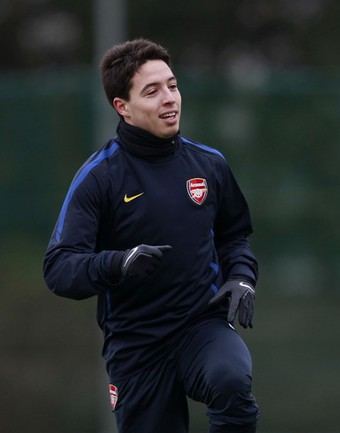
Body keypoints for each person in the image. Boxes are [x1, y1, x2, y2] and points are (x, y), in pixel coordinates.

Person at [43, 38, 259, 433]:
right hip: (136, 346)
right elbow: (58, 268)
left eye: (172, 86)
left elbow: (234, 236)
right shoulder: (99, 178)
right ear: (122, 107)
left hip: (202, 325)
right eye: (152, 91)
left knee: (231, 381)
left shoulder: (209, 165)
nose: (169, 98)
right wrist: (119, 263)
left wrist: (242, 276)